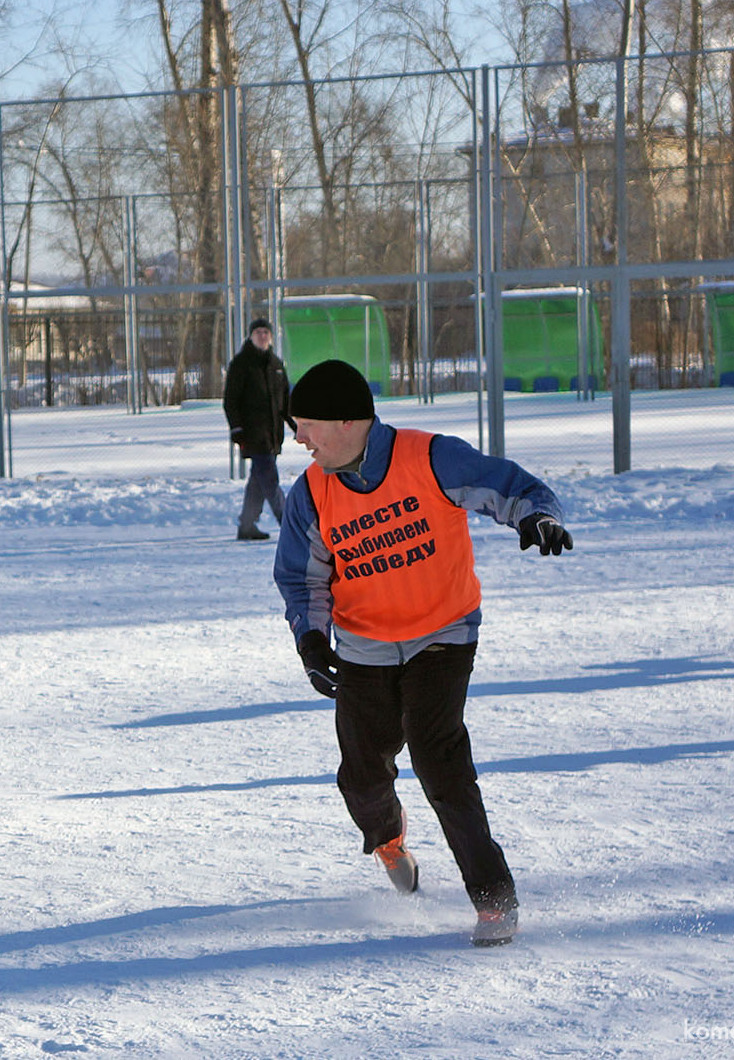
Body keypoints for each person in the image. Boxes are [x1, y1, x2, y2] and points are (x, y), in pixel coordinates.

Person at [271, 359, 573, 947]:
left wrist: (536, 517)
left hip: (443, 633)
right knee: (361, 777)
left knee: (440, 761)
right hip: (364, 645)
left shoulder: (429, 457)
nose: (298, 439)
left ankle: (494, 901)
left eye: (304, 425)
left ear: (347, 421)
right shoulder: (311, 493)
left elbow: (515, 488)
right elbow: (301, 579)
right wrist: (310, 638)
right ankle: (388, 837)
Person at [222, 318, 292, 541]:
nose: (263, 336)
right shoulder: (242, 363)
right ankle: (289, 524)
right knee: (270, 479)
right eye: (258, 332)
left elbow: (285, 400)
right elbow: (230, 400)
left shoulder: (276, 364)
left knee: (258, 481)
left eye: (266, 332)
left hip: (272, 434)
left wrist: (296, 424)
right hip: (253, 433)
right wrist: (237, 429)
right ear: (251, 336)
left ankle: (247, 524)